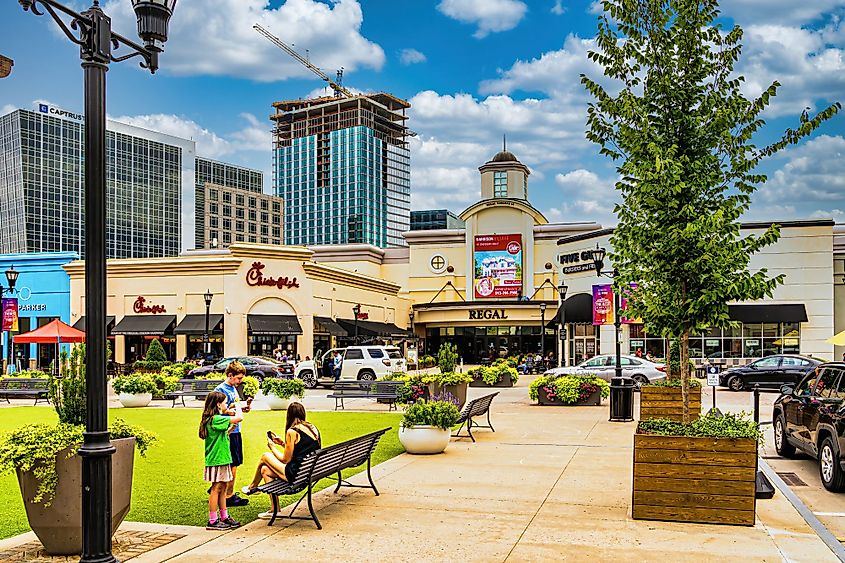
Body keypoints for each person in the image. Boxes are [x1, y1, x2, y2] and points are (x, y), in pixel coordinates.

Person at [241, 402, 322, 519]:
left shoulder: (292, 431)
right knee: (265, 470)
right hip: (308, 471)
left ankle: (252, 487)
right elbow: (302, 450)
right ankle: (275, 510)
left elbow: (285, 459)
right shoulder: (312, 427)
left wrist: (272, 447)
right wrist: (283, 444)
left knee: (265, 456)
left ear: (289, 415)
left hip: (296, 474)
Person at [199, 391, 243, 530]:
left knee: (223, 488)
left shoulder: (215, 419)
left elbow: (220, 437)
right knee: (216, 488)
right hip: (218, 459)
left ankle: (224, 516)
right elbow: (239, 418)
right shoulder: (216, 419)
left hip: (222, 458)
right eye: (224, 403)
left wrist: (230, 430)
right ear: (218, 404)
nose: (226, 405)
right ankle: (212, 520)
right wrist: (238, 405)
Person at [213, 361, 250, 507]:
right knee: (233, 463)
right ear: (230, 375)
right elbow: (218, 412)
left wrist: (242, 407)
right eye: (239, 378)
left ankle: (220, 489)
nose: (240, 381)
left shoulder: (232, 388)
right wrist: (232, 412)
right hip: (229, 431)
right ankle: (229, 495)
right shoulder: (220, 390)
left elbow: (232, 406)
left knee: (233, 463)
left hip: (235, 429)